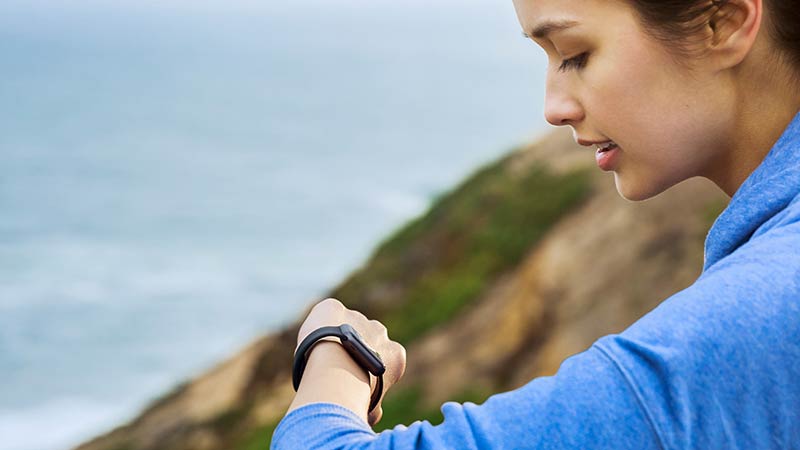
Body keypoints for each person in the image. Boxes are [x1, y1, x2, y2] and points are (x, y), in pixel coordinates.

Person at [272, 0, 800, 448]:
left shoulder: (767, 307)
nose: (553, 108)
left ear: (723, 23)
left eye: (576, 55)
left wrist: (335, 358)